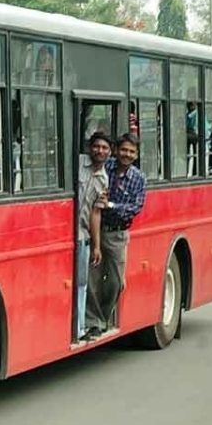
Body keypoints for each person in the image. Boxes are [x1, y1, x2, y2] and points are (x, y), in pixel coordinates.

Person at [86, 133, 146, 339]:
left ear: (136, 155)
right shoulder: (106, 167)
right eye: (123, 150)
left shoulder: (138, 178)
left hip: (118, 234)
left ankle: (103, 316)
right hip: (95, 229)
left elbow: (134, 208)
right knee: (91, 278)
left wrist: (111, 205)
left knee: (116, 282)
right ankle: (94, 322)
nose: (126, 155)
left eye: (131, 152)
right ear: (116, 150)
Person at [76, 132, 110, 342]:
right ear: (90, 147)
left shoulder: (104, 179)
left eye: (105, 148)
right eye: (97, 146)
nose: (100, 151)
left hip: (82, 235)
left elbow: (96, 214)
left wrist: (96, 245)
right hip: (63, 230)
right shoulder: (78, 163)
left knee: (81, 282)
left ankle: (79, 327)